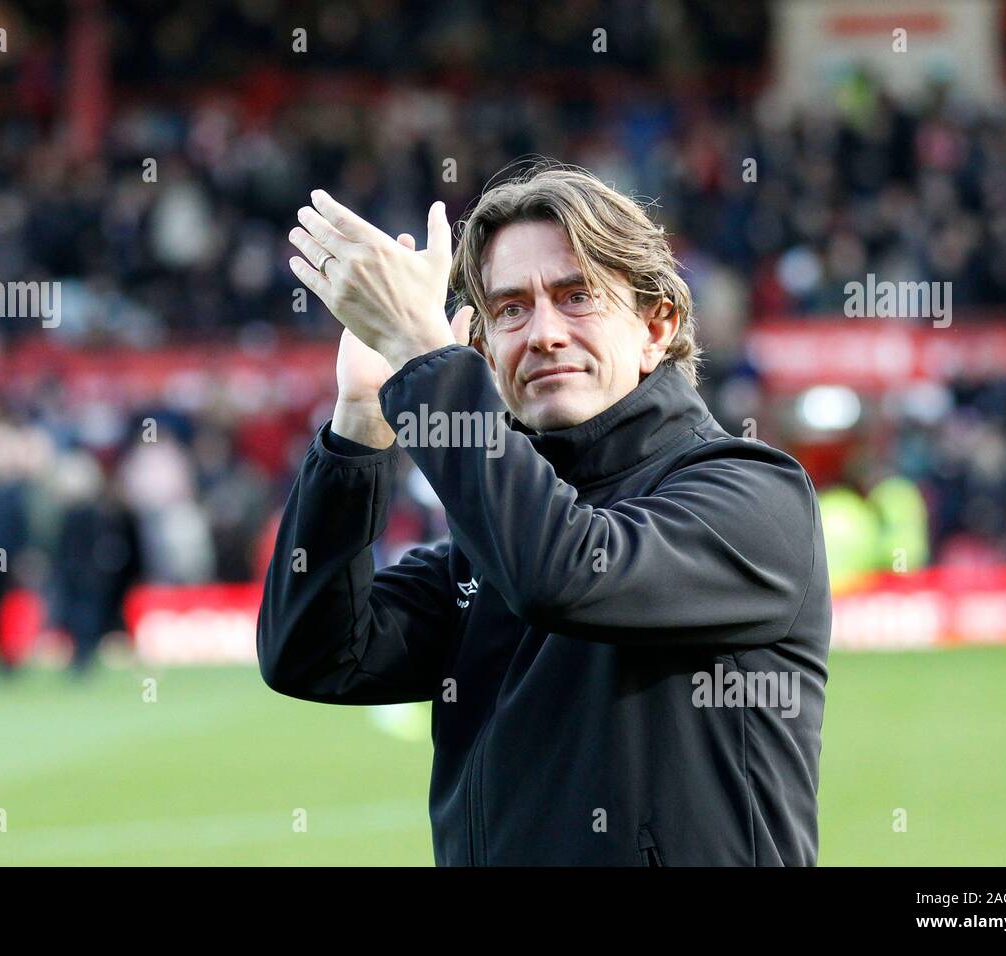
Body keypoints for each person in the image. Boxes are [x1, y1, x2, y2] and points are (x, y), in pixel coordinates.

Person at [259, 162, 832, 866]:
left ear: (658, 327)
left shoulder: (752, 496)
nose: (544, 333)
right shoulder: (491, 545)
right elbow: (314, 657)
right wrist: (360, 421)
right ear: (485, 354)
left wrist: (421, 353)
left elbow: (562, 573)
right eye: (509, 309)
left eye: (577, 295)